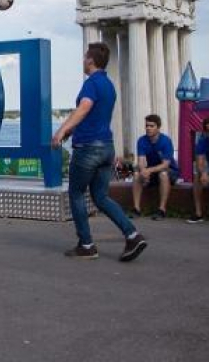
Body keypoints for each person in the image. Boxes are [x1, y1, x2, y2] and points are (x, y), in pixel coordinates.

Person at [51, 42, 147, 261]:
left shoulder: (91, 84)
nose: (83, 61)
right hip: (106, 147)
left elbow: (84, 108)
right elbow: (94, 115)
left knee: (76, 193)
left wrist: (62, 130)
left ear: (91, 61)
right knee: (101, 197)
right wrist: (72, 129)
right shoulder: (109, 85)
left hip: (87, 148)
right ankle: (132, 235)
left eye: (85, 57)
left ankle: (86, 245)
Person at [131, 114, 178, 219]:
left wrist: (148, 171)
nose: (148, 128)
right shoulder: (141, 140)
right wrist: (143, 172)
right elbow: (141, 160)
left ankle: (162, 210)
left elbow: (166, 164)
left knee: (163, 174)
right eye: (147, 125)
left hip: (170, 171)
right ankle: (136, 209)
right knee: (136, 174)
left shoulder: (166, 141)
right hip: (151, 171)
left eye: (151, 126)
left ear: (158, 127)